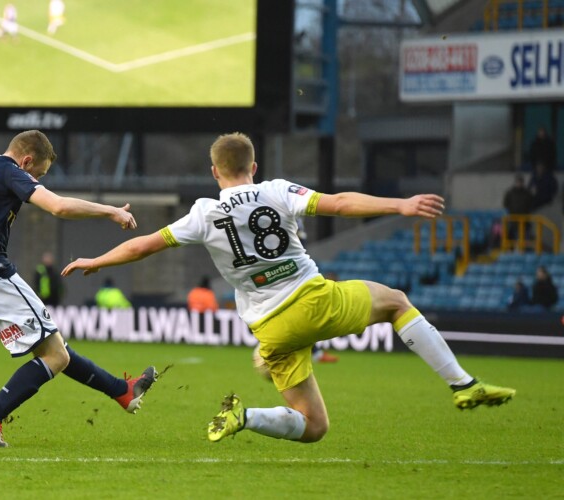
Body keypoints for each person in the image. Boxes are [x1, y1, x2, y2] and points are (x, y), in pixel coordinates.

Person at [61, 132, 515, 445]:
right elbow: (339, 203)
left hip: (269, 330)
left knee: (314, 426)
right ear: (254, 167)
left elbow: (143, 245)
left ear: (215, 171)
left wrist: (96, 261)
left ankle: (244, 416)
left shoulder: (203, 213)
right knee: (396, 303)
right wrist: (400, 205)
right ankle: (463, 384)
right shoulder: (277, 191)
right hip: (311, 301)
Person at [0, 130, 157, 448]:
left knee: (53, 348)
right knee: (55, 355)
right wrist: (111, 211)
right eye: (39, 174)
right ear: (27, 161)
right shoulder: (8, 170)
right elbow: (58, 207)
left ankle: (122, 391)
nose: (36, 180)